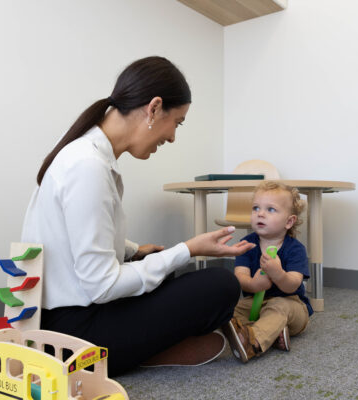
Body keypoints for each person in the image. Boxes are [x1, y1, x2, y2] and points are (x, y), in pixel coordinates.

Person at [21, 56, 254, 377]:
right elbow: (101, 286)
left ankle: (146, 346)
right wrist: (188, 249)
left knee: (163, 269)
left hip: (66, 313)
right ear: (154, 108)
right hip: (75, 334)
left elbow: (76, 232)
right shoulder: (88, 167)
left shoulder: (84, 153)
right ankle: (142, 352)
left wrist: (135, 250)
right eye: (178, 122)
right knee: (221, 284)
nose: (172, 136)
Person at [222, 181, 313, 363]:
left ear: (289, 221)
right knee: (231, 310)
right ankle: (273, 333)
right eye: (256, 208)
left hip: (291, 305)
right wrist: (253, 285)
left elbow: (293, 285)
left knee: (278, 307)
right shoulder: (247, 243)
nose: (260, 213)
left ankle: (253, 342)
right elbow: (240, 277)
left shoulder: (295, 249)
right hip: (254, 302)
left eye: (270, 209)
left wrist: (278, 273)